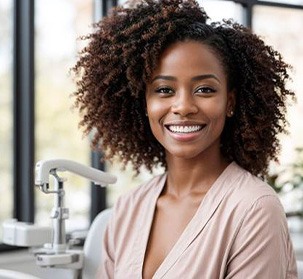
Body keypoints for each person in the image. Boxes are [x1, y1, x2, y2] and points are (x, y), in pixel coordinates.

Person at [72, 0, 298, 278]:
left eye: (204, 89)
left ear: (230, 102)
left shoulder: (254, 209)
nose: (183, 106)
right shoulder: (128, 207)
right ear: (144, 103)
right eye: (164, 89)